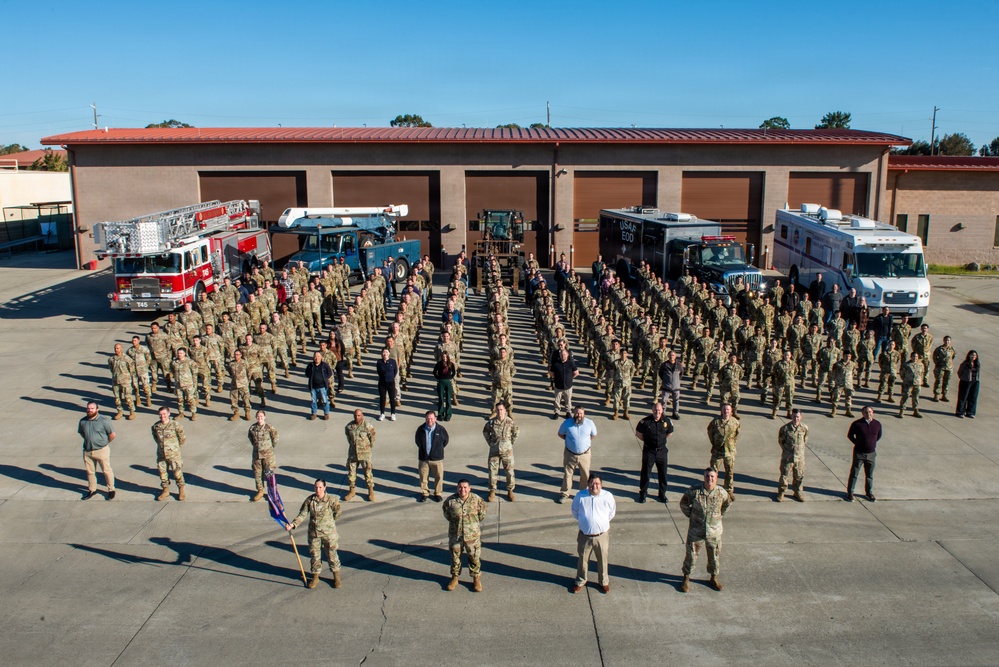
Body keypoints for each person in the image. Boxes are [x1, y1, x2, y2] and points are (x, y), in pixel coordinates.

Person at [679, 468, 732, 593]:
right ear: (704, 477)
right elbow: (683, 504)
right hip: (696, 531)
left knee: (714, 556)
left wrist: (718, 517)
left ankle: (714, 578)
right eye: (707, 476)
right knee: (691, 556)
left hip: (714, 532)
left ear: (716, 477)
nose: (710, 479)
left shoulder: (721, 492)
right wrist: (692, 516)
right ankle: (686, 577)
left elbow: (727, 504)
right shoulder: (694, 491)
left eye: (712, 476)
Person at [287, 479, 343, 589]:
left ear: (325, 488)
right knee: (315, 556)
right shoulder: (310, 500)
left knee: (332, 555)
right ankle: (315, 577)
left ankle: (336, 577)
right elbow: (302, 514)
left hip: (329, 534)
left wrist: (330, 523)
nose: (318, 490)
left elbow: (338, 512)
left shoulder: (332, 500)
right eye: (316, 487)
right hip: (314, 534)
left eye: (320, 487)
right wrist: (293, 524)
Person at [570, 474, 616, 594]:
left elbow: (612, 512)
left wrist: (601, 523)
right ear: (588, 484)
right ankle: (580, 581)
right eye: (592, 483)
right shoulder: (580, 496)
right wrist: (585, 522)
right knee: (582, 559)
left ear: (601, 485)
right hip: (584, 535)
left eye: (597, 483)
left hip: (601, 536)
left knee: (602, 559)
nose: (594, 486)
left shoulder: (608, 496)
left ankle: (603, 582)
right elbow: (574, 511)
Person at [442, 479, 488, 592]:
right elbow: (447, 514)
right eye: (460, 487)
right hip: (456, 535)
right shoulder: (450, 501)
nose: (462, 490)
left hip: (472, 536)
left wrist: (471, 526)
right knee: (455, 557)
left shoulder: (477, 500)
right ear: (457, 488)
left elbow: (482, 515)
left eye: (465, 487)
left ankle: (476, 578)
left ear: (469, 488)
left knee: (474, 557)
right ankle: (455, 577)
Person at [635, 401, 674, 503]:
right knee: (646, 473)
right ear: (652, 410)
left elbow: (670, 433)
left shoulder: (666, 421)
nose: (657, 412)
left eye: (659, 410)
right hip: (649, 451)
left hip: (662, 451)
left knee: (663, 474)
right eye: (655, 410)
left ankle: (662, 494)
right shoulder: (645, 422)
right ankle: (643, 494)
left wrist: (661, 440)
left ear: (662, 410)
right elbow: (638, 433)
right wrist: (647, 441)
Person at [557, 406, 598, 504]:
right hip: (570, 454)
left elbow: (594, 434)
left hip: (585, 455)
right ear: (573, 413)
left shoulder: (590, 423)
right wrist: (570, 441)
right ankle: (565, 493)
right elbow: (560, 434)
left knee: (585, 475)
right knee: (568, 474)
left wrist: (585, 442)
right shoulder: (567, 423)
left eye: (580, 413)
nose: (578, 415)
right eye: (577, 413)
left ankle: (583, 493)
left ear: (584, 414)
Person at [78, 401, 116, 500]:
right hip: (87, 451)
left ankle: (111, 490)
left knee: (106, 471)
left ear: (97, 409)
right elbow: (82, 433)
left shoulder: (104, 420)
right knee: (90, 472)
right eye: (88, 408)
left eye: (92, 408)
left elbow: (112, 434)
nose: (90, 410)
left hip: (101, 450)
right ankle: (92, 490)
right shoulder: (83, 421)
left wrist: (103, 443)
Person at [483, 403, 518, 502]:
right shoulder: (491, 423)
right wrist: (491, 443)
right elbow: (485, 432)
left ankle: (510, 490)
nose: (500, 412)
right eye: (498, 410)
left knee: (509, 472)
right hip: (494, 451)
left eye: (501, 410)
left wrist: (510, 443)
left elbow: (516, 432)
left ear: (505, 411)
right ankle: (492, 490)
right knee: (492, 472)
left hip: (507, 451)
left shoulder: (510, 422)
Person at [846, 405, 882, 502]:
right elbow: (850, 435)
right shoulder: (857, 424)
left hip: (871, 454)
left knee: (869, 475)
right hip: (859, 453)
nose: (868, 414)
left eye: (870, 412)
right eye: (866, 412)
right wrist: (857, 443)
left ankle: (869, 492)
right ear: (862, 413)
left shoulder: (877, 424)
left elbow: (879, 436)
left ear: (873, 413)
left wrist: (871, 444)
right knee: (854, 473)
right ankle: (850, 492)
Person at [152, 406, 186, 501]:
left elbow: (182, 438)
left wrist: (175, 448)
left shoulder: (175, 425)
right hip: (161, 455)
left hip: (174, 455)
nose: (162, 416)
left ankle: (181, 490)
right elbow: (156, 438)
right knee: (162, 474)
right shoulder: (156, 426)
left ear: (168, 414)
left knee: (177, 473)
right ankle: (165, 490)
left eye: (164, 414)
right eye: (160, 414)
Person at [707, 403, 740, 497]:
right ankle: (712, 489)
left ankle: (729, 491)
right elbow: (710, 433)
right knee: (713, 472)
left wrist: (731, 445)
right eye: (724, 409)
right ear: (721, 411)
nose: (726, 411)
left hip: (729, 451)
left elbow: (736, 435)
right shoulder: (715, 422)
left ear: (731, 411)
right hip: (717, 450)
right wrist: (715, 443)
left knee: (729, 471)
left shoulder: (735, 422)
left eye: (728, 409)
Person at [344, 409, 377, 502]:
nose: (357, 417)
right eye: (355, 415)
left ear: (362, 415)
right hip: (353, 454)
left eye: (359, 415)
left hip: (365, 454)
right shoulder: (349, 427)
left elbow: (372, 437)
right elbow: (349, 438)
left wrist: (368, 447)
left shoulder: (367, 426)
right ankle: (352, 491)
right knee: (351, 473)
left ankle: (370, 491)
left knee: (368, 472)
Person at [415, 411, 448, 502]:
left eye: (431, 418)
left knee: (438, 476)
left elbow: (445, 441)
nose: (430, 420)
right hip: (423, 458)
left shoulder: (441, 429)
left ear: (435, 419)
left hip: (437, 458)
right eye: (428, 418)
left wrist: (437, 451)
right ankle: (425, 493)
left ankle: (438, 493)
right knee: (423, 477)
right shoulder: (421, 429)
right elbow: (417, 441)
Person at [776, 409, 808, 502]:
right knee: (784, 475)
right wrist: (787, 451)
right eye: (794, 416)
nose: (795, 418)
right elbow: (781, 441)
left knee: (799, 476)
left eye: (797, 417)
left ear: (801, 417)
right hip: (788, 457)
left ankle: (797, 492)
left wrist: (799, 451)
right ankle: (781, 492)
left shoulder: (804, 428)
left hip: (799, 458)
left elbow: (805, 439)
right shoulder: (785, 429)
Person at [247, 410, 278, 502]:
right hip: (257, 456)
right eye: (258, 416)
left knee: (269, 474)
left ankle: (272, 492)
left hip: (268, 456)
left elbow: (275, 438)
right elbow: (251, 438)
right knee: (257, 474)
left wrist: (269, 448)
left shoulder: (269, 428)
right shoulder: (252, 428)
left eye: (261, 416)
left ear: (264, 417)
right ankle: (260, 491)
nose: (259, 418)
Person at [549, 346, 579, 419]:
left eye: (564, 354)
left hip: (568, 386)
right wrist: (556, 378)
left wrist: (571, 378)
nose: (563, 356)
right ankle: (557, 412)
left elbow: (576, 372)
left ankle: (568, 412)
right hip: (558, 385)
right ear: (559, 355)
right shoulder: (556, 364)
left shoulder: (571, 363)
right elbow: (551, 372)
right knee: (557, 400)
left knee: (568, 400)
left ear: (567, 355)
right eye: (561, 355)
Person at [304, 351, 333, 420]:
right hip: (313, 387)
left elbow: (330, 373)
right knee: (313, 401)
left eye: (318, 356)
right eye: (315, 356)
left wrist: (324, 378)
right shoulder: (310, 365)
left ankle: (326, 413)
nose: (317, 358)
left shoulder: (324, 365)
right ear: (313, 358)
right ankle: (314, 413)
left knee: (324, 401)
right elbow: (306, 373)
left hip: (322, 387)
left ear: (321, 357)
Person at [432, 350, 457, 421]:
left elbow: (454, 372)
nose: (444, 358)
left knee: (448, 399)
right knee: (441, 399)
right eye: (443, 357)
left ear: (448, 357)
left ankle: (448, 414)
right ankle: (441, 414)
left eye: (446, 357)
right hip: (441, 382)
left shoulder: (451, 364)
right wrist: (438, 378)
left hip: (448, 382)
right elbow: (434, 372)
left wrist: (450, 377)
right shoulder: (439, 364)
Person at [658, 349, 683, 419]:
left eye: (673, 355)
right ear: (668, 356)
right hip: (666, 386)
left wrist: (676, 381)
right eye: (670, 355)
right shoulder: (664, 365)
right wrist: (666, 380)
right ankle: (663, 414)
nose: (672, 356)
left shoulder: (679, 365)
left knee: (676, 401)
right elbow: (660, 373)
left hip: (676, 387)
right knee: (664, 401)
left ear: (675, 356)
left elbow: (681, 373)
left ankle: (675, 413)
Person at [956, 350, 981, 418]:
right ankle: (960, 412)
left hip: (975, 382)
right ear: (969, 355)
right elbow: (959, 372)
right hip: (966, 381)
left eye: (975, 355)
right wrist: (964, 378)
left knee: (973, 397)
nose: (973, 356)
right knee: (963, 397)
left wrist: (976, 379)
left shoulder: (977, 364)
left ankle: (970, 412)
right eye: (972, 355)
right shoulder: (965, 363)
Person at [376, 347, 398, 421]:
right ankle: (382, 413)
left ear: (389, 353)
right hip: (382, 383)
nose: (385, 354)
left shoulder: (393, 361)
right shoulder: (379, 362)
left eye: (386, 352)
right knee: (382, 399)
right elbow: (379, 372)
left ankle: (393, 414)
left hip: (391, 383)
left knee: (392, 399)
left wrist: (391, 377)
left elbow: (395, 371)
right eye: (384, 352)